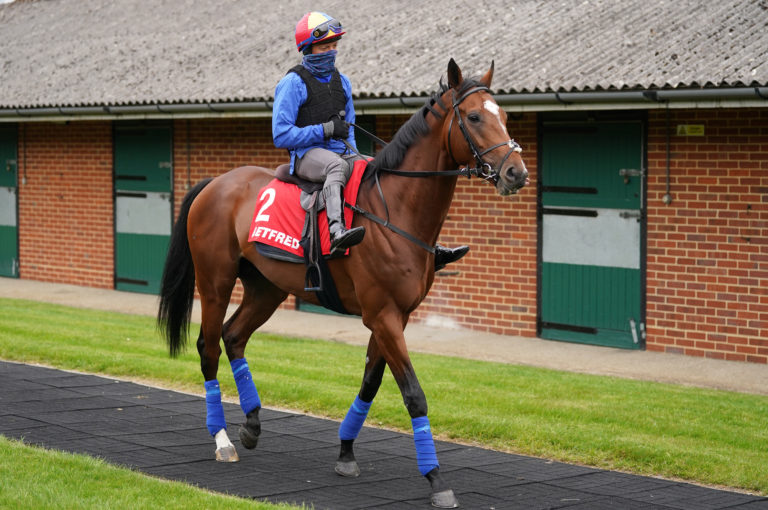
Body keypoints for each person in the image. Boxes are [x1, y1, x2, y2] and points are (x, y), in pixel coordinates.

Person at [272, 11, 469, 267]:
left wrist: (354, 153)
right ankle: (336, 232)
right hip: (305, 156)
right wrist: (325, 130)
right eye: (325, 47)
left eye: (334, 46)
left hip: (339, 151)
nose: (332, 52)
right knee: (336, 166)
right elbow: (281, 134)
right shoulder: (292, 83)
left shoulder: (342, 82)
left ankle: (429, 246)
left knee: (377, 168)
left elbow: (349, 126)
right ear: (308, 48)